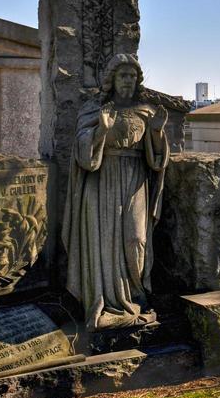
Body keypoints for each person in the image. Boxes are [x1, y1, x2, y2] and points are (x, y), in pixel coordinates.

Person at [64, 54, 169, 328]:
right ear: (112, 79)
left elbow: (157, 160)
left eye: (132, 76)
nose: (128, 81)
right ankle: (107, 300)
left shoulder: (146, 112)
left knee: (137, 240)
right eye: (123, 75)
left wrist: (156, 133)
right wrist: (101, 130)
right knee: (104, 242)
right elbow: (83, 155)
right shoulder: (95, 109)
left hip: (135, 180)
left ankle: (136, 294)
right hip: (102, 180)